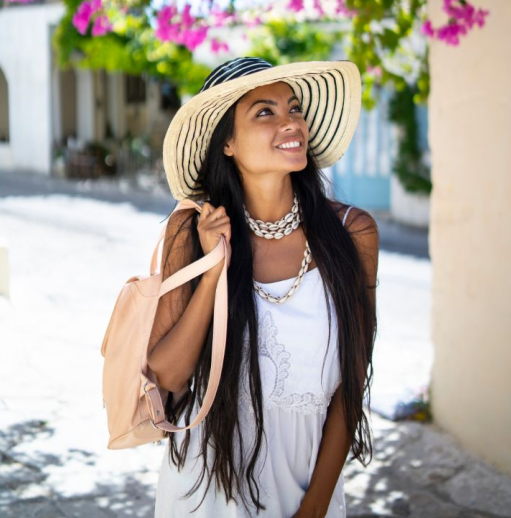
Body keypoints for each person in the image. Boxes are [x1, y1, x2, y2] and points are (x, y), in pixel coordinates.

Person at [147, 57, 379, 517]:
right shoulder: (189, 231)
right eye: (265, 112)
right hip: (207, 486)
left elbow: (352, 383)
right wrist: (214, 268)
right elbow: (168, 378)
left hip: (310, 479)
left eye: (294, 108)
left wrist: (314, 507)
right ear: (227, 142)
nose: (292, 122)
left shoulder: (352, 233)